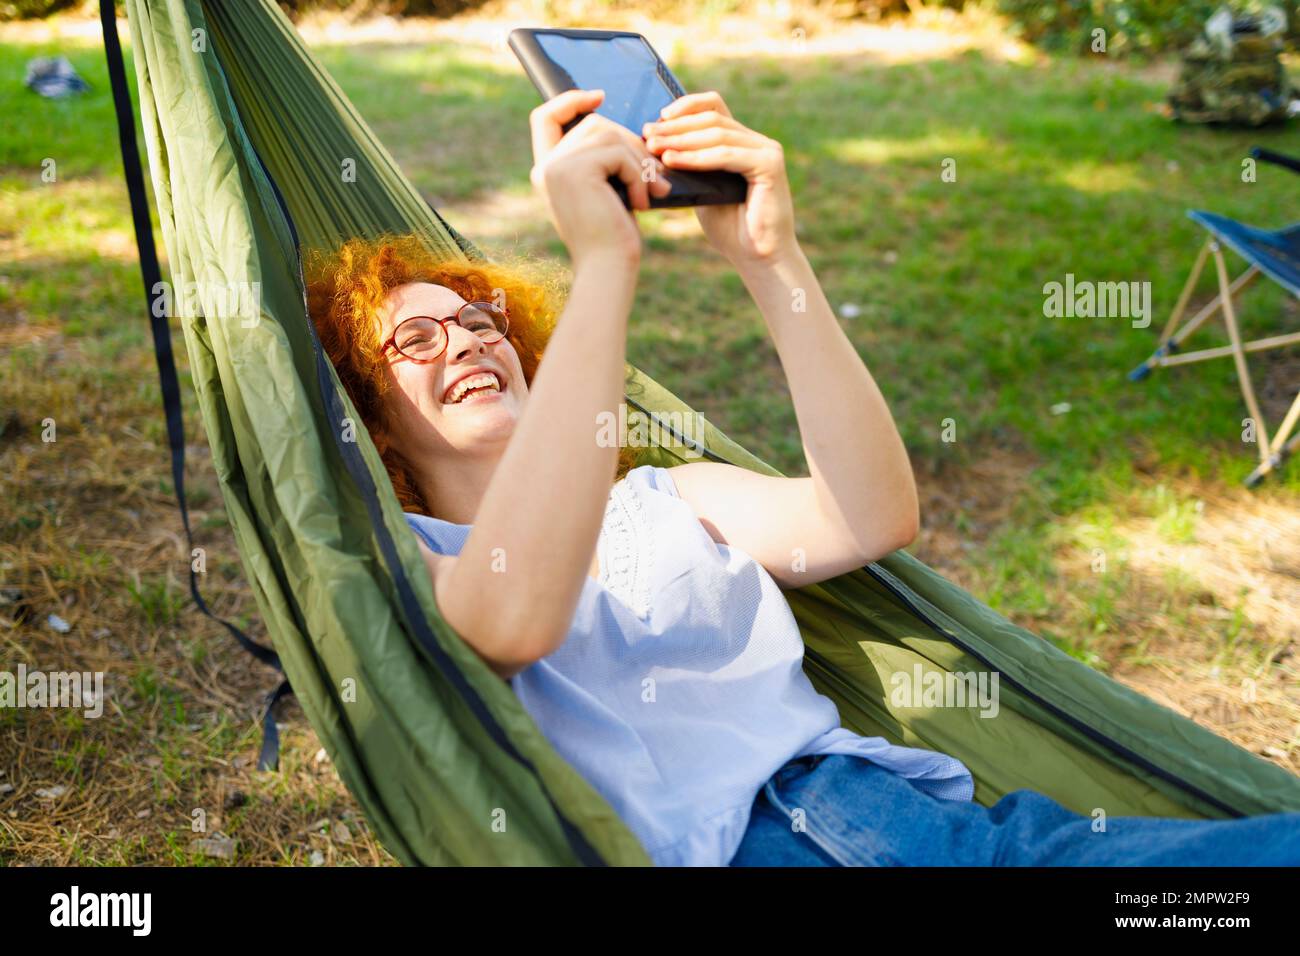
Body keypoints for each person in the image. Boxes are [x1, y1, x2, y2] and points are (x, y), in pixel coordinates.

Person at [305, 88, 1300, 866]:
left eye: (484, 320)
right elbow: (508, 621)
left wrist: (770, 259)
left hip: (921, 829)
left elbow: (868, 516)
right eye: (416, 339)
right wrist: (604, 262)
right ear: (368, 409)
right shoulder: (402, 562)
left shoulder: (661, 500)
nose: (468, 340)